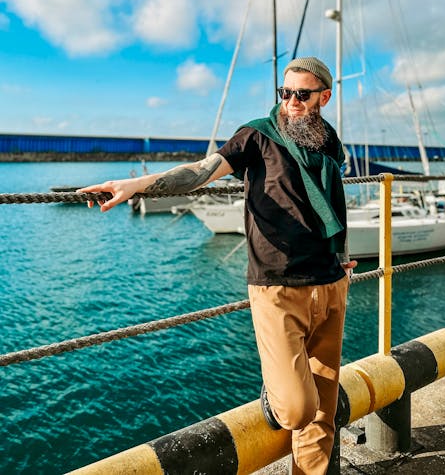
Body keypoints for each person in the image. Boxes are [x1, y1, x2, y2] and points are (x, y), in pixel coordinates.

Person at [78, 56, 356, 475]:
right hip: (277, 286)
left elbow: (331, 205)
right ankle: (275, 392)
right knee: (299, 409)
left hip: (332, 282)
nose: (292, 102)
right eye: (285, 93)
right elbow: (202, 171)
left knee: (323, 414)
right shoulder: (256, 137)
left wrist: (342, 256)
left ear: (324, 97)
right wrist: (136, 185)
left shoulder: (329, 144)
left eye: (302, 94)